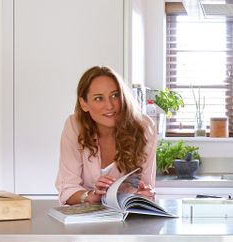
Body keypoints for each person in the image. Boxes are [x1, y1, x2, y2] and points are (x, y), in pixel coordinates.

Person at [56, 66, 158, 206]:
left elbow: (146, 186)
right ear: (84, 103)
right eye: (99, 98)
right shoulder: (74, 126)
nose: (110, 105)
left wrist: (144, 194)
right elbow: (67, 189)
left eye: (115, 95)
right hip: (85, 222)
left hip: (128, 222)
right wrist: (92, 196)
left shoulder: (144, 127)